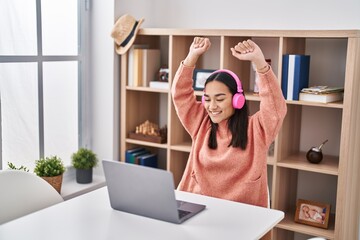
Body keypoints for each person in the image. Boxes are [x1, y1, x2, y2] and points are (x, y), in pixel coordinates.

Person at [171, 37, 287, 208]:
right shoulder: (201, 122)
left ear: (237, 100)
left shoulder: (257, 129)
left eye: (220, 99)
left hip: (240, 217)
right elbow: (179, 94)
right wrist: (191, 57)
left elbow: (275, 108)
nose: (212, 106)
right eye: (207, 99)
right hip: (196, 209)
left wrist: (260, 63)